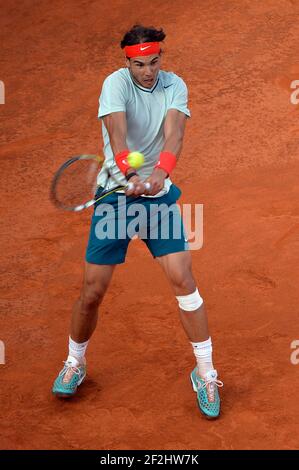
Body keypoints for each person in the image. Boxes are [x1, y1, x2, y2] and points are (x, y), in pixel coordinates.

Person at [52, 24, 223, 419]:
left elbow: (174, 135)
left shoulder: (174, 86)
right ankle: (75, 362)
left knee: (184, 281)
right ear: (127, 62)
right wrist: (130, 177)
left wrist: (160, 176)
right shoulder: (115, 84)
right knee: (93, 291)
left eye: (154, 62)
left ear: (162, 57)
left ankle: (206, 373)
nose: (148, 71)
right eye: (139, 64)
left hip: (158, 201)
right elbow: (117, 134)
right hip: (116, 200)